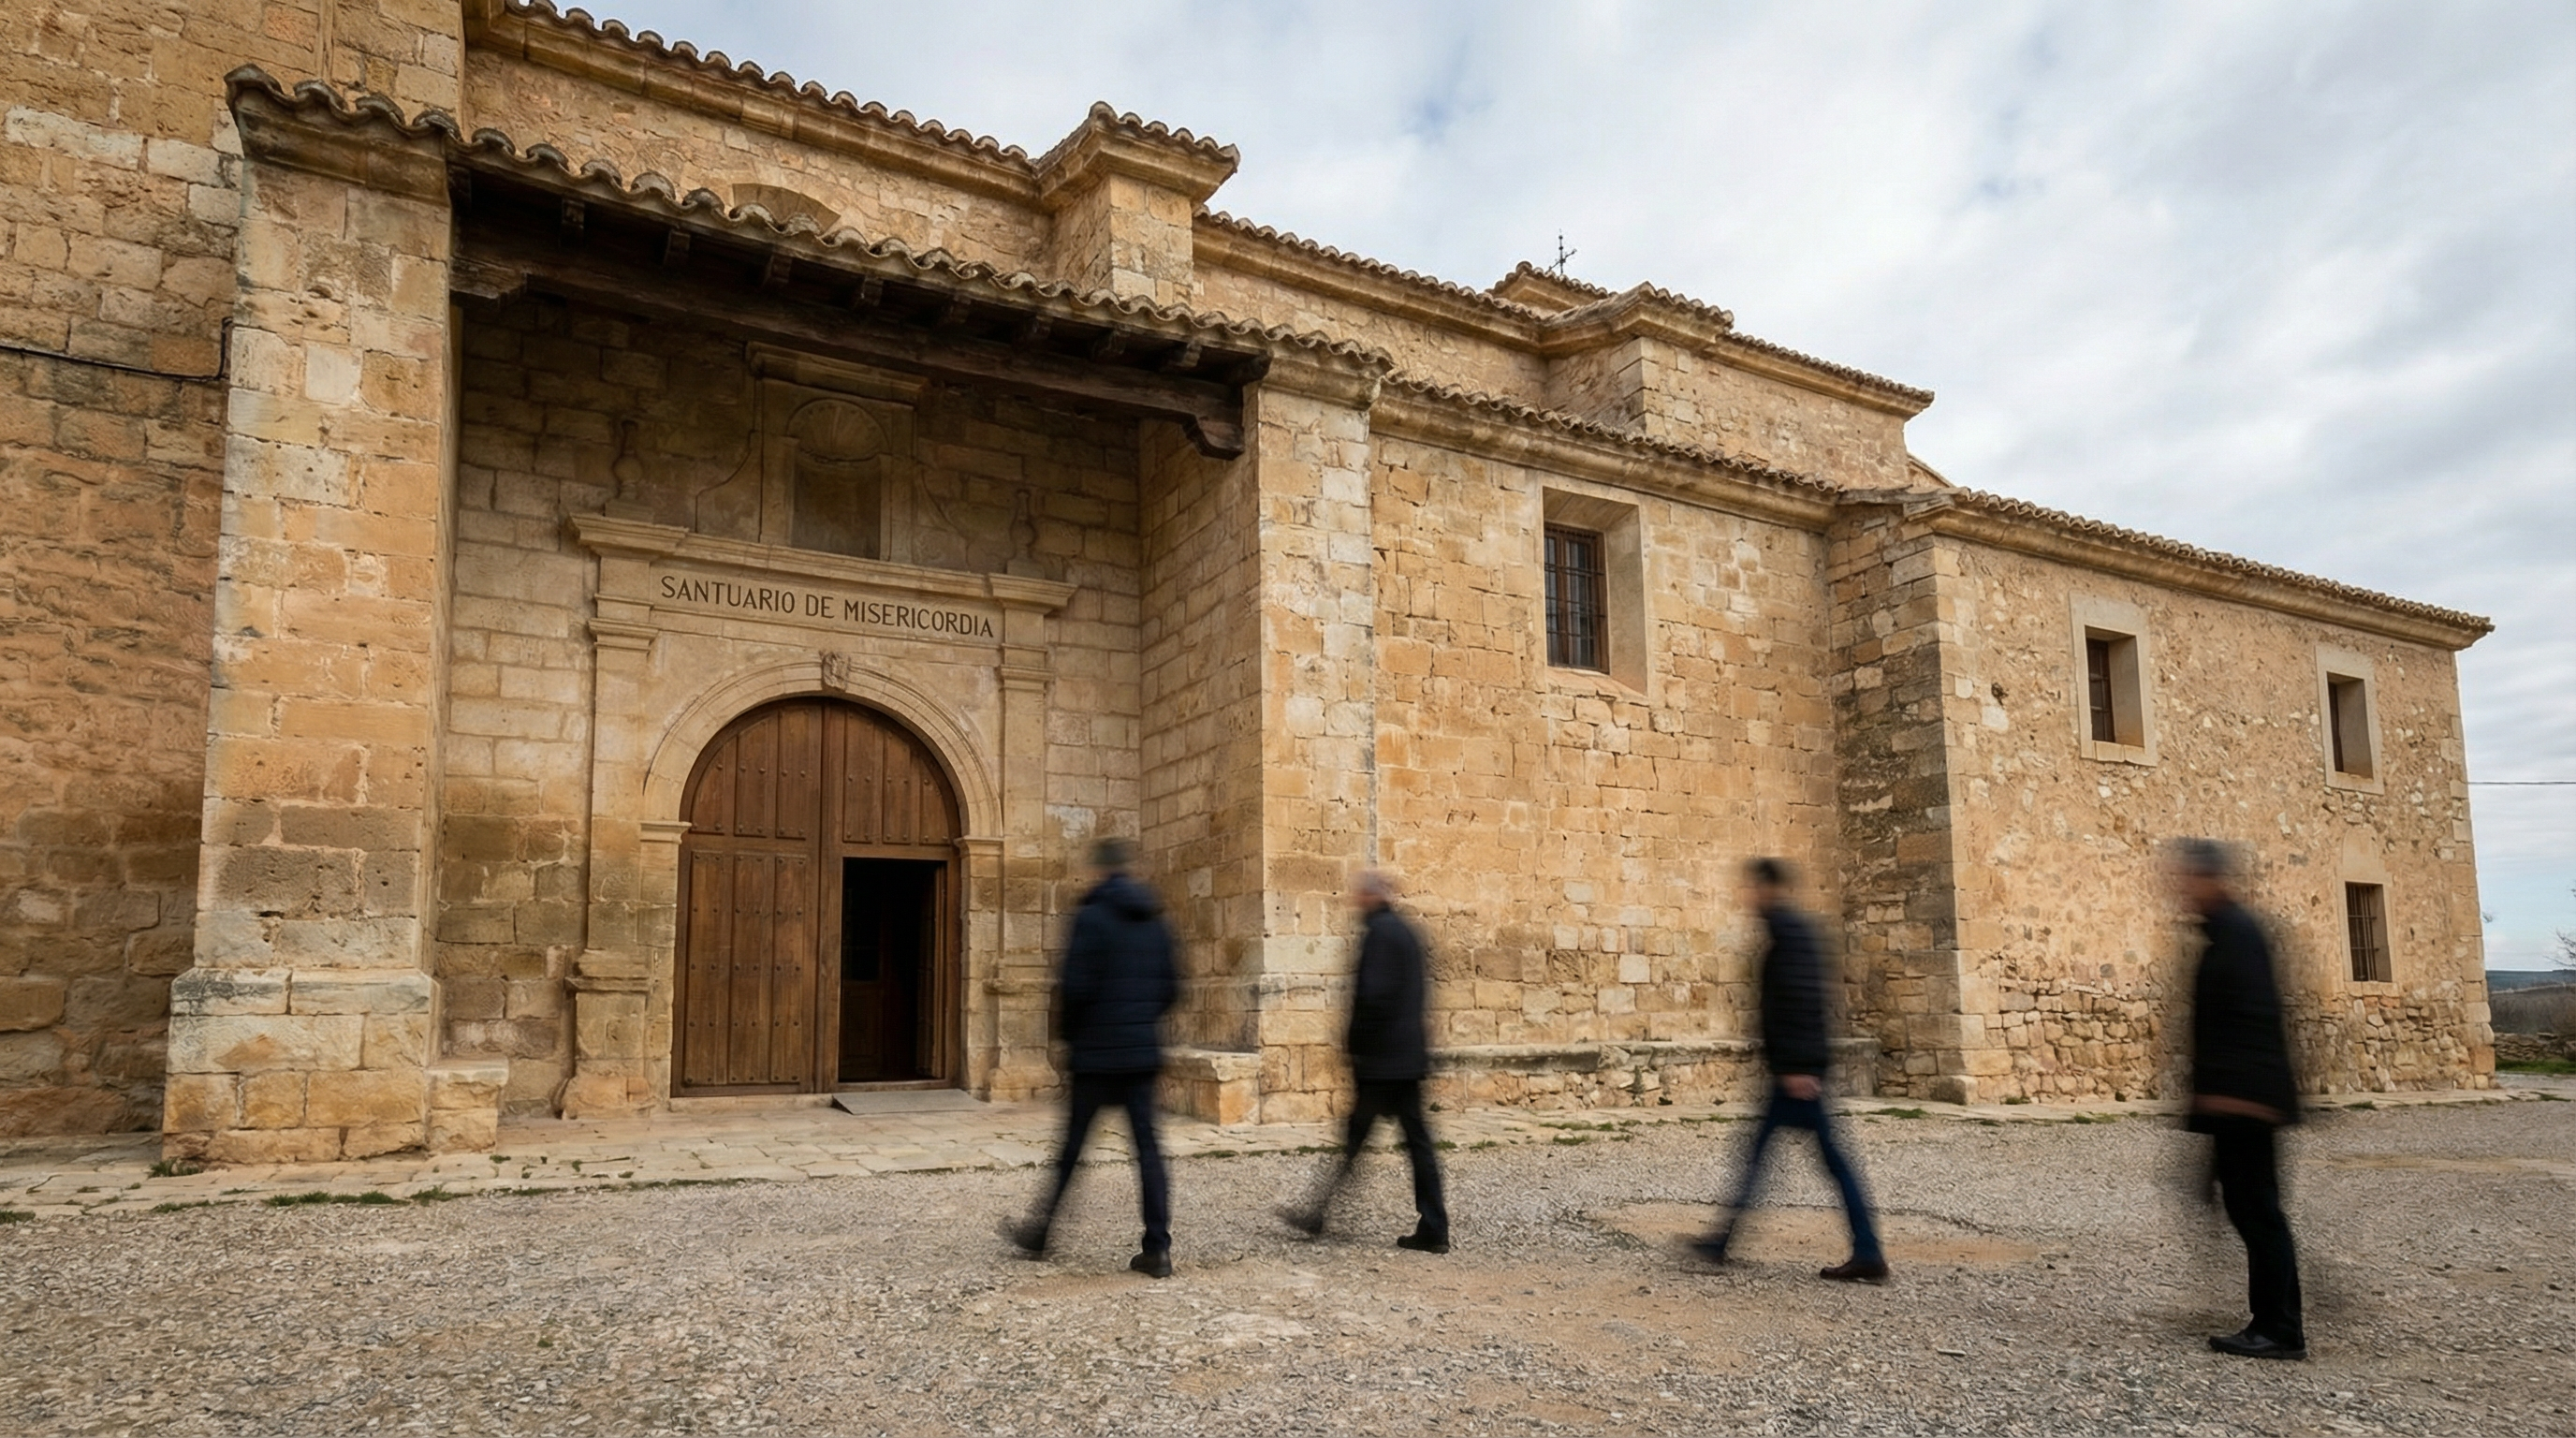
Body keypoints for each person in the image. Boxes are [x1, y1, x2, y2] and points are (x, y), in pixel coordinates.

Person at [1694, 857, 1887, 1283]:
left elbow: (1801, 1001)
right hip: (1793, 1071)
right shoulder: (1789, 933)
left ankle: (1869, 1250)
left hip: (1797, 1075)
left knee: (1819, 1162)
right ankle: (1721, 1240)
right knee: (1765, 1155)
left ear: (1769, 889)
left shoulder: (1789, 935)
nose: (1747, 897)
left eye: (1753, 889)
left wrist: (1799, 1067)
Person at [1003, 837, 1181, 1278]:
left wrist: (1072, 1038)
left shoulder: (1091, 916)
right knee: (1149, 1153)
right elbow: (1174, 987)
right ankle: (1157, 1249)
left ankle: (1041, 1232)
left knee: (1071, 1150)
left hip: (1097, 1055)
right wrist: (1142, 1024)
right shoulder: (1157, 921)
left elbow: (1075, 987)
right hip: (1141, 1053)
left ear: (1100, 869)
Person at [2169, 838, 2305, 1360]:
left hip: (2245, 1103)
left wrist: (2238, 1100)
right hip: (2238, 1101)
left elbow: (2251, 1022)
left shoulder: (2237, 936)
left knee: (2258, 1214)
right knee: (2254, 1211)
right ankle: (2274, 1320)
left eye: (2187, 879)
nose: (2181, 890)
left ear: (2210, 879)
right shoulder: (2226, 934)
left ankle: (2280, 1329)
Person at [1280, 870, 1451, 1254]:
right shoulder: (1408, 933)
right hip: (1406, 1057)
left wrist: (1354, 1046)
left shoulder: (1379, 935)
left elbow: (1373, 996)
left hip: (1382, 1062)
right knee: (1416, 1145)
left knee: (1357, 1139)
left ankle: (1318, 1212)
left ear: (1371, 897)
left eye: (1359, 895)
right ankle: (1434, 1225)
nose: (1355, 901)